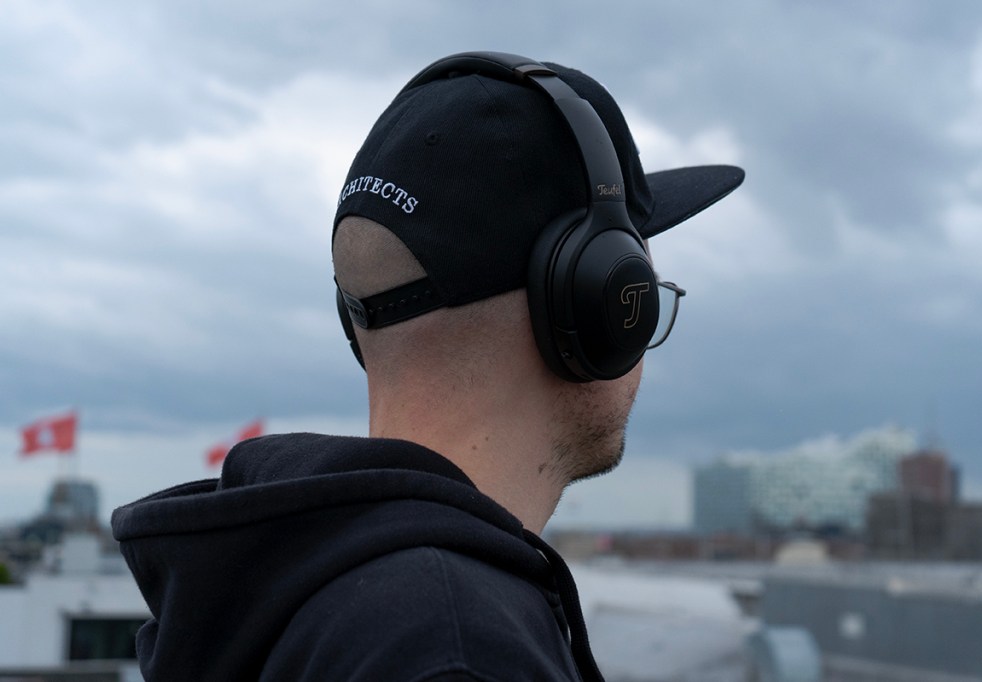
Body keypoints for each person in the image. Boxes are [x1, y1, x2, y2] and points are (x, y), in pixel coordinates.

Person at [112, 52, 743, 681]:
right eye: (645, 290)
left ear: (356, 319)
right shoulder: (459, 650)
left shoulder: (288, 585)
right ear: (601, 304)